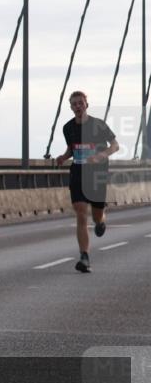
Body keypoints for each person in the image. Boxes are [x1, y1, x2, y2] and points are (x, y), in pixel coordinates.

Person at [54, 91, 119, 273]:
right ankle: (84, 257)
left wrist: (101, 155)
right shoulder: (68, 128)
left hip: (96, 175)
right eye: (74, 104)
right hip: (77, 173)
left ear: (86, 104)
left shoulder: (98, 124)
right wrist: (63, 157)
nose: (78, 106)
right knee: (81, 213)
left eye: (80, 103)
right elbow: (72, 148)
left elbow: (115, 145)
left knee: (96, 215)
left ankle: (100, 222)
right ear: (71, 107)